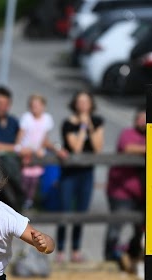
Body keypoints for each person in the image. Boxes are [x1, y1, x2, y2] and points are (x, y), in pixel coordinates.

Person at [58, 89, 104, 264]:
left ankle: (76, 249)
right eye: (80, 102)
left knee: (82, 211)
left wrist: (90, 126)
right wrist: (83, 127)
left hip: (87, 172)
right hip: (69, 173)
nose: (83, 105)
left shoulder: (98, 122)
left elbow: (98, 148)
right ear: (75, 104)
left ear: (91, 104)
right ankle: (61, 250)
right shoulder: (68, 124)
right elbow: (76, 148)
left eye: (86, 101)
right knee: (65, 211)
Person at [104, 108, 145, 272]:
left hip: (142, 194)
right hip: (121, 190)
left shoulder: (149, 135)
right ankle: (109, 257)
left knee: (140, 230)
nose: (143, 122)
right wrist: (151, 148)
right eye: (141, 118)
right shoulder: (127, 133)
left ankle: (131, 255)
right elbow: (127, 148)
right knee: (116, 226)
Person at [17, 93, 61, 210]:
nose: (35, 108)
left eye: (37, 105)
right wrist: (20, 148)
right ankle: (23, 201)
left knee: (35, 181)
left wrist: (50, 147)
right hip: (26, 151)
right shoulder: (26, 118)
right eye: (33, 105)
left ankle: (30, 202)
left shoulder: (47, 119)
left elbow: (44, 138)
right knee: (24, 180)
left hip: (37, 152)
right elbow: (20, 136)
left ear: (43, 106)